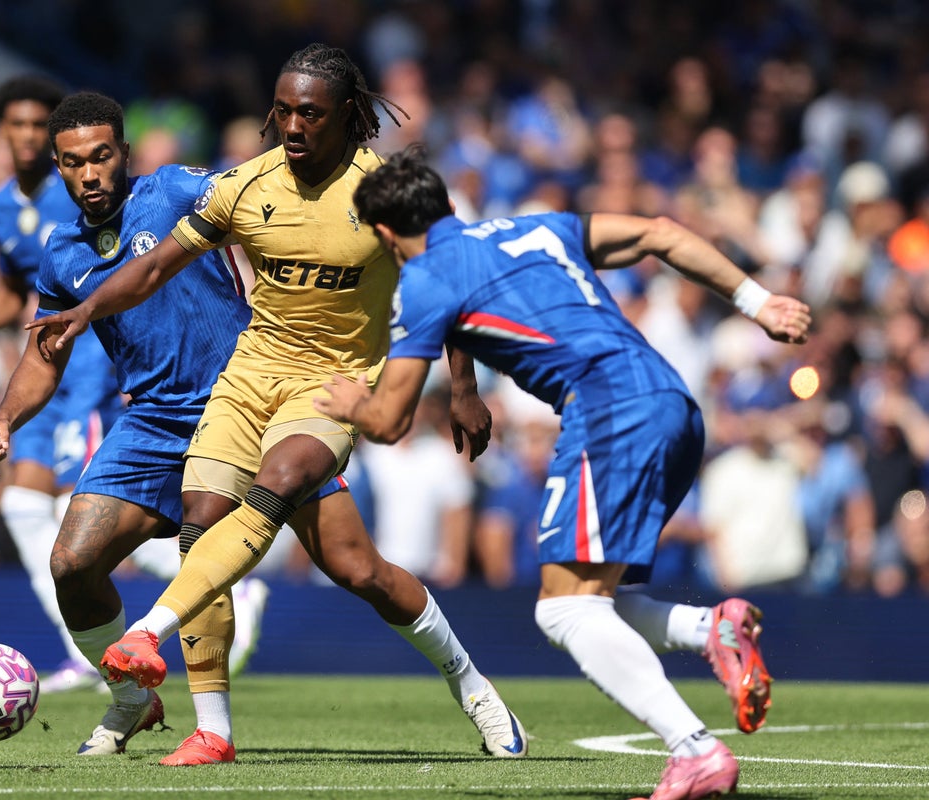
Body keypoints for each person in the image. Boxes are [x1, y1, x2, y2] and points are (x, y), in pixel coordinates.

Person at [27, 48, 527, 763]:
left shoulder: (382, 192)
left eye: (309, 114)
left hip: (333, 383)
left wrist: (467, 389)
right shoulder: (246, 185)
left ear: (347, 115)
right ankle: (214, 732)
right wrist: (85, 311)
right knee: (211, 524)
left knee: (321, 524)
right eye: (282, 110)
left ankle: (471, 683)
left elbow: (448, 283)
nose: (291, 126)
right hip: (250, 374)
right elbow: (157, 265)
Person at [314, 150, 811, 800]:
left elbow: (387, 422)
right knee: (596, 600)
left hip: (609, 414)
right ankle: (708, 630)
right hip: (673, 404)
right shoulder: (536, 227)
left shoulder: (424, 282)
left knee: (565, 612)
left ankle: (695, 751)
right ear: (447, 207)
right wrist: (758, 301)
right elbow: (660, 231)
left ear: (385, 235)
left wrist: (353, 402)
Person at [0, 77, 268, 693]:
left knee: (354, 567)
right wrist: (5, 415)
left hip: (238, 403)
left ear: (126, 154)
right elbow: (38, 342)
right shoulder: (53, 245)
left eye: (101, 156)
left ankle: (473, 690)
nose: (88, 173)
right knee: (64, 550)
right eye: (73, 162)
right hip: (153, 417)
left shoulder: (171, 190)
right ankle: (129, 696)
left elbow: (257, 202)